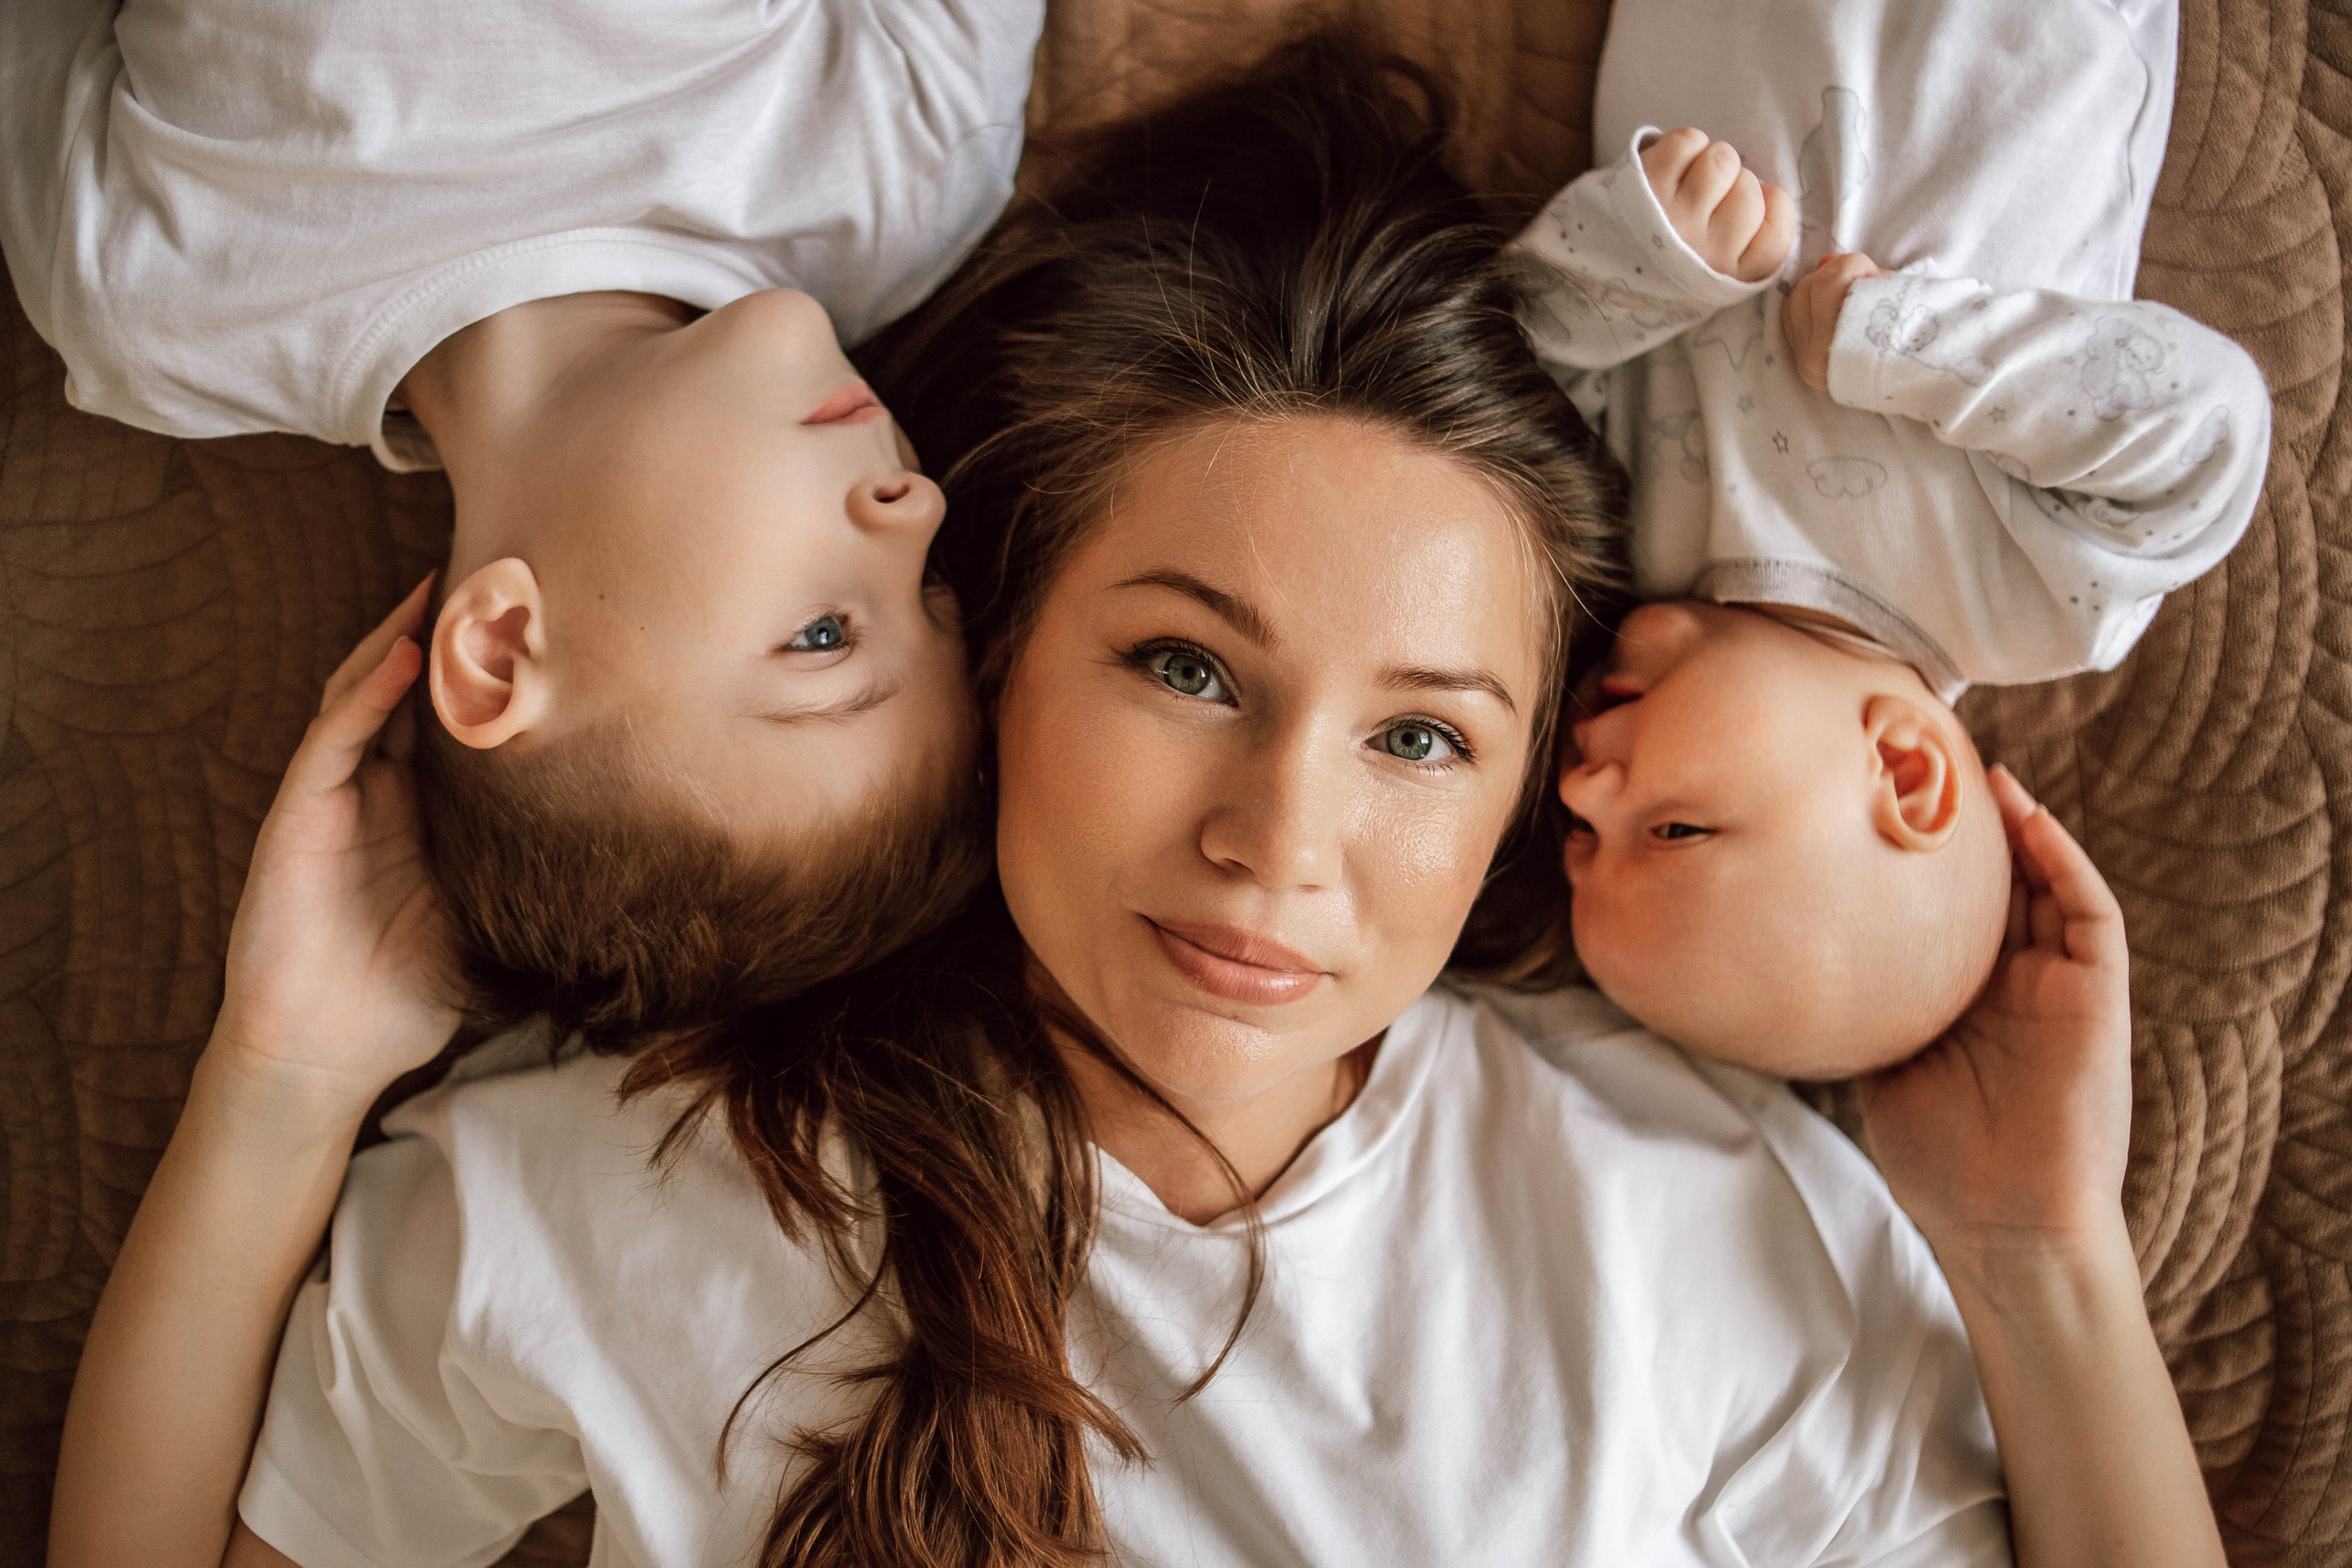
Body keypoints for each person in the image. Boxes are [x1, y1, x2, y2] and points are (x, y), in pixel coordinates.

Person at [49, 43, 2222, 1568]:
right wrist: (284, 1071)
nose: (1277, 837)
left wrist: (2038, 1264)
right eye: (1184, 666)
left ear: (1529, 794)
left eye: (1421, 736)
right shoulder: (627, 1183)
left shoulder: (1690, 1217)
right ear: (989, 654)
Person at [0, 0, 1032, 1040]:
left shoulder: (163, 308)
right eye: (931, 585)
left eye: (825, 635)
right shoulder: (906, 178)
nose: (916, 504)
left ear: (499, 650)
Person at [1510, 0, 2271, 1079]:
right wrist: (1901, 347)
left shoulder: (1625, 549)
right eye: (1673, 833)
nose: (1583, 791)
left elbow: (1517, 352)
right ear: (1905, 772)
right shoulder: (2033, 606)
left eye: (1583, 843)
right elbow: (2205, 429)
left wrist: (1654, 255)